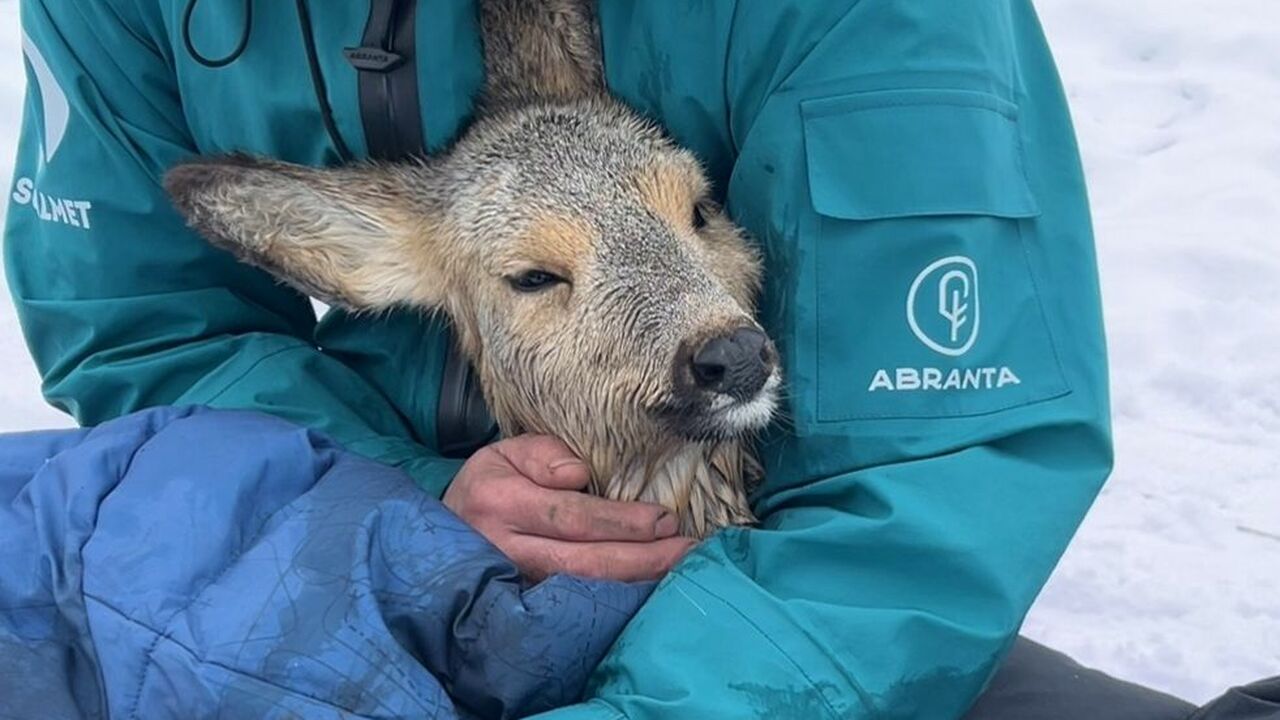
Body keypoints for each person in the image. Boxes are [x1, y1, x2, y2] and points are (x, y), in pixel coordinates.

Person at [5, 1, 1268, 718]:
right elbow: (149, 323)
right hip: (345, 547)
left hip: (773, 584)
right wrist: (398, 499)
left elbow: (936, 475)